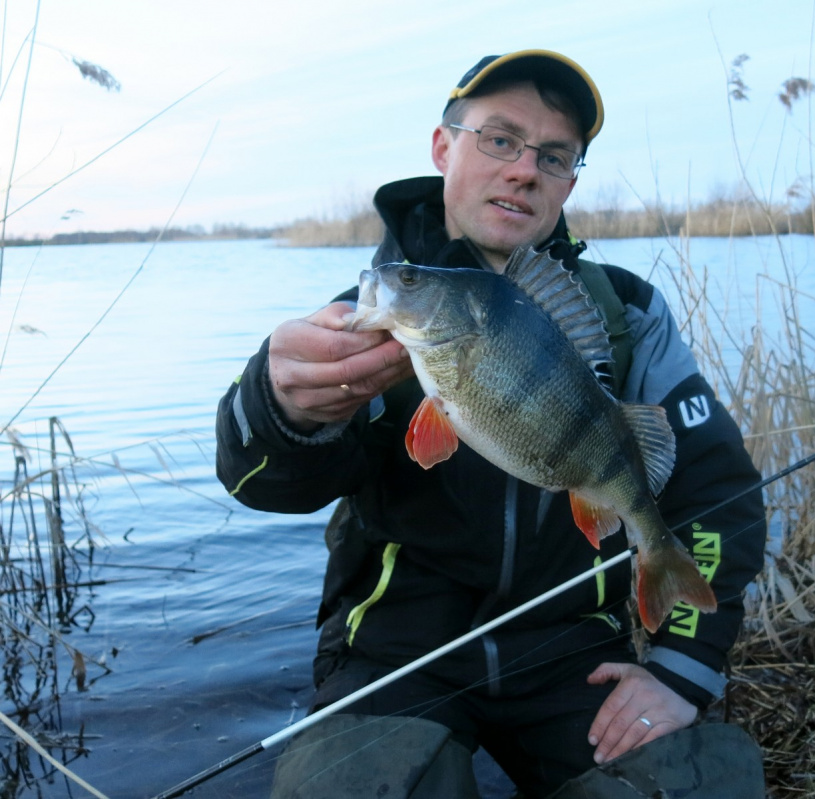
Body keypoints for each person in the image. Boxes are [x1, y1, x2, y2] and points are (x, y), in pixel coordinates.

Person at [216, 50, 767, 798]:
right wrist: (280, 409)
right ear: (444, 146)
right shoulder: (361, 324)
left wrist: (680, 670)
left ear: (570, 180)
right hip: (397, 654)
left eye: (553, 155)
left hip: (575, 651)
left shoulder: (627, 317)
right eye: (499, 139)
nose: (523, 169)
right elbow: (262, 483)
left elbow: (718, 493)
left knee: (690, 786)